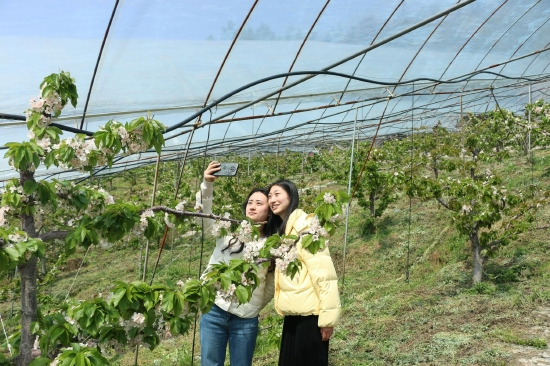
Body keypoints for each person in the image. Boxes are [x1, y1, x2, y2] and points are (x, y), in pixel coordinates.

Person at [197, 161, 275, 366]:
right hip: (214, 308)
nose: (252, 206)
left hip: (245, 316)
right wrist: (207, 185)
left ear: (269, 211)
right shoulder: (229, 230)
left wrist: (255, 304)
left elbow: (271, 282)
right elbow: (205, 221)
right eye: (250, 202)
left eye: (259, 203)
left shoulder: (272, 244)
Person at [267, 180, 341, 366]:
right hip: (294, 314)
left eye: (277, 194)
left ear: (291, 196)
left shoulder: (306, 228)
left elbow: (324, 275)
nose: (272, 200)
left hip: (310, 317)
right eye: (269, 196)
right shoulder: (285, 231)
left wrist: (327, 320)